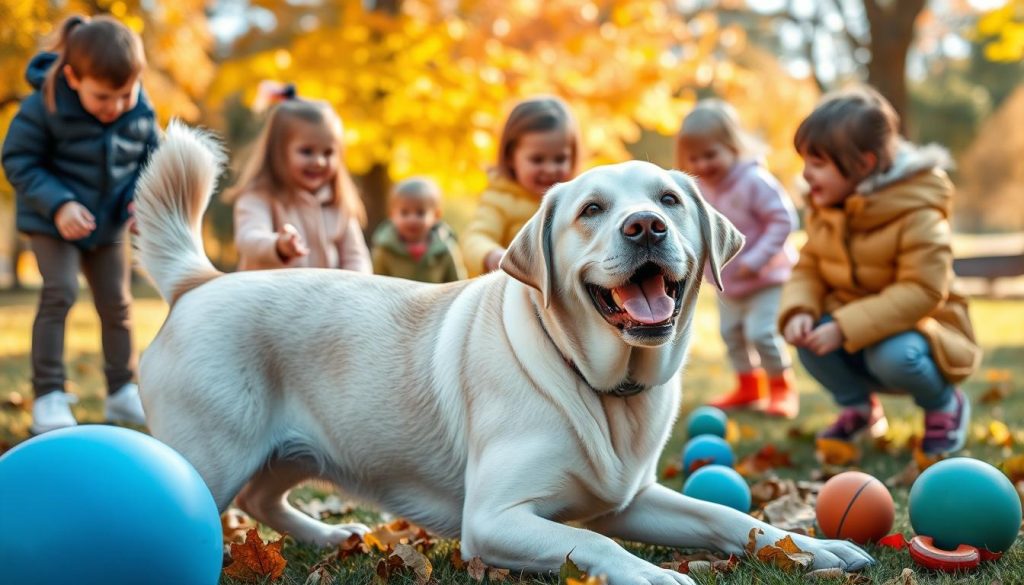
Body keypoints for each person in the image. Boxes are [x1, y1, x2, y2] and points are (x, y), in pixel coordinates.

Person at [779, 87, 981, 455]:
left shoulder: (918, 212)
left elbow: (923, 291)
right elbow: (809, 267)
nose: (806, 175)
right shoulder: (828, 209)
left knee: (892, 356)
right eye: (805, 161)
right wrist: (801, 310)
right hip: (856, 329)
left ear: (865, 164)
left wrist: (843, 327)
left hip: (922, 331)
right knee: (809, 343)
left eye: (818, 163)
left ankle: (944, 405)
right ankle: (860, 410)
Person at [2, 15, 158, 434]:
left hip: (107, 226)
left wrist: (138, 202)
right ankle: (50, 395)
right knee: (60, 293)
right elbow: (18, 160)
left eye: (126, 94)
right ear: (72, 77)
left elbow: (149, 162)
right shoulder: (43, 106)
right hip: (53, 222)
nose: (117, 106)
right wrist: (60, 204)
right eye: (104, 97)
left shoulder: (140, 108)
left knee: (118, 304)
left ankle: (123, 391)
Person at [677, 99, 799, 418]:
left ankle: (781, 388)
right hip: (727, 282)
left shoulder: (753, 181)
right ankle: (748, 386)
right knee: (731, 335)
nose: (703, 164)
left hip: (766, 278)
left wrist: (758, 259)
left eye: (711, 155)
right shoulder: (700, 190)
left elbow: (784, 220)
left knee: (762, 333)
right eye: (694, 158)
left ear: (732, 147)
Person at [226, 93, 371, 272]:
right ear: (278, 153)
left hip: (325, 298)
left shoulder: (338, 202)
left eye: (328, 153)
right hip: (268, 297)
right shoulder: (259, 196)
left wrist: (356, 288)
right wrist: (278, 245)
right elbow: (247, 239)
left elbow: (356, 257)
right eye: (307, 151)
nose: (319, 161)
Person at [462, 96, 580, 276]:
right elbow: (475, 238)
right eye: (537, 159)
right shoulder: (499, 200)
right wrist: (492, 256)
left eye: (560, 159)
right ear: (510, 157)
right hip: (510, 293)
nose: (550, 169)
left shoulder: (576, 201)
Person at [371, 177, 467, 283]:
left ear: (436, 215)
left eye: (420, 213)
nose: (412, 219)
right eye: (404, 213)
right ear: (392, 215)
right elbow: (377, 283)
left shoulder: (446, 248)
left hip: (437, 299)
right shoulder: (384, 250)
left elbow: (457, 283)